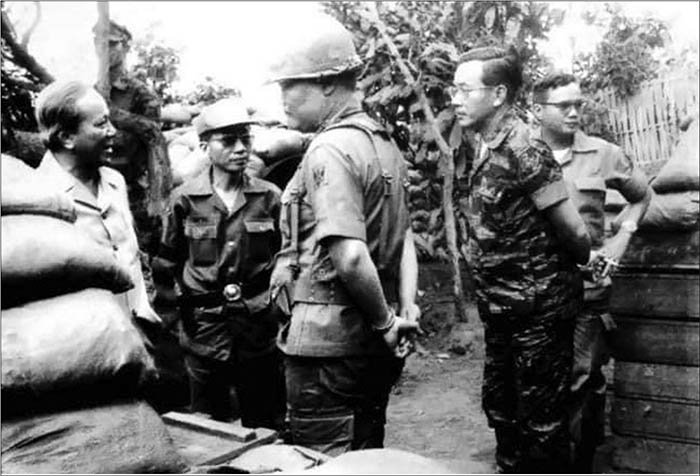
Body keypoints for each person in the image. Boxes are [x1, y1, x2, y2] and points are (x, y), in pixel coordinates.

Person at [266, 14, 420, 456]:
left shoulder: (330, 148)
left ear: (329, 83)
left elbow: (350, 255)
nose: (283, 97)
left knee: (324, 460)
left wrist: (386, 322)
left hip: (327, 349)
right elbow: (404, 236)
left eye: (290, 84)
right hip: (369, 342)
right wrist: (403, 308)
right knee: (367, 454)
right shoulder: (382, 142)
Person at [449, 47, 591, 473]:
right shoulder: (483, 145)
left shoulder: (526, 148)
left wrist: (581, 262)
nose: (455, 100)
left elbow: (574, 231)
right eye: (453, 90)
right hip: (502, 309)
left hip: (539, 313)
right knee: (502, 409)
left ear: (498, 94)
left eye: (464, 90)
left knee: (542, 425)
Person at [532, 72, 652, 473]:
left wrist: (622, 237)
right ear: (538, 110)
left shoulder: (603, 153)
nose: (573, 112)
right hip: (536, 291)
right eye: (563, 105)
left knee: (581, 376)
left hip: (588, 288)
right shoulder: (522, 154)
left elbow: (642, 195)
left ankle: (580, 463)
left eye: (578, 104)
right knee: (539, 380)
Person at [154, 98, 285, 430]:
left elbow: (286, 259)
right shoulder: (185, 199)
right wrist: (175, 322)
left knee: (265, 423)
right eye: (228, 141)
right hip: (204, 330)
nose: (240, 149)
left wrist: (279, 313)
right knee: (208, 428)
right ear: (204, 147)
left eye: (245, 140)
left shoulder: (269, 197)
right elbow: (166, 263)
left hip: (258, 329)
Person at [34, 80, 161, 327]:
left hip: (137, 327)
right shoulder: (39, 198)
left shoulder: (114, 181)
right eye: (101, 124)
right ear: (67, 138)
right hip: (88, 336)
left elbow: (129, 255)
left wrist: (144, 308)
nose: (113, 131)